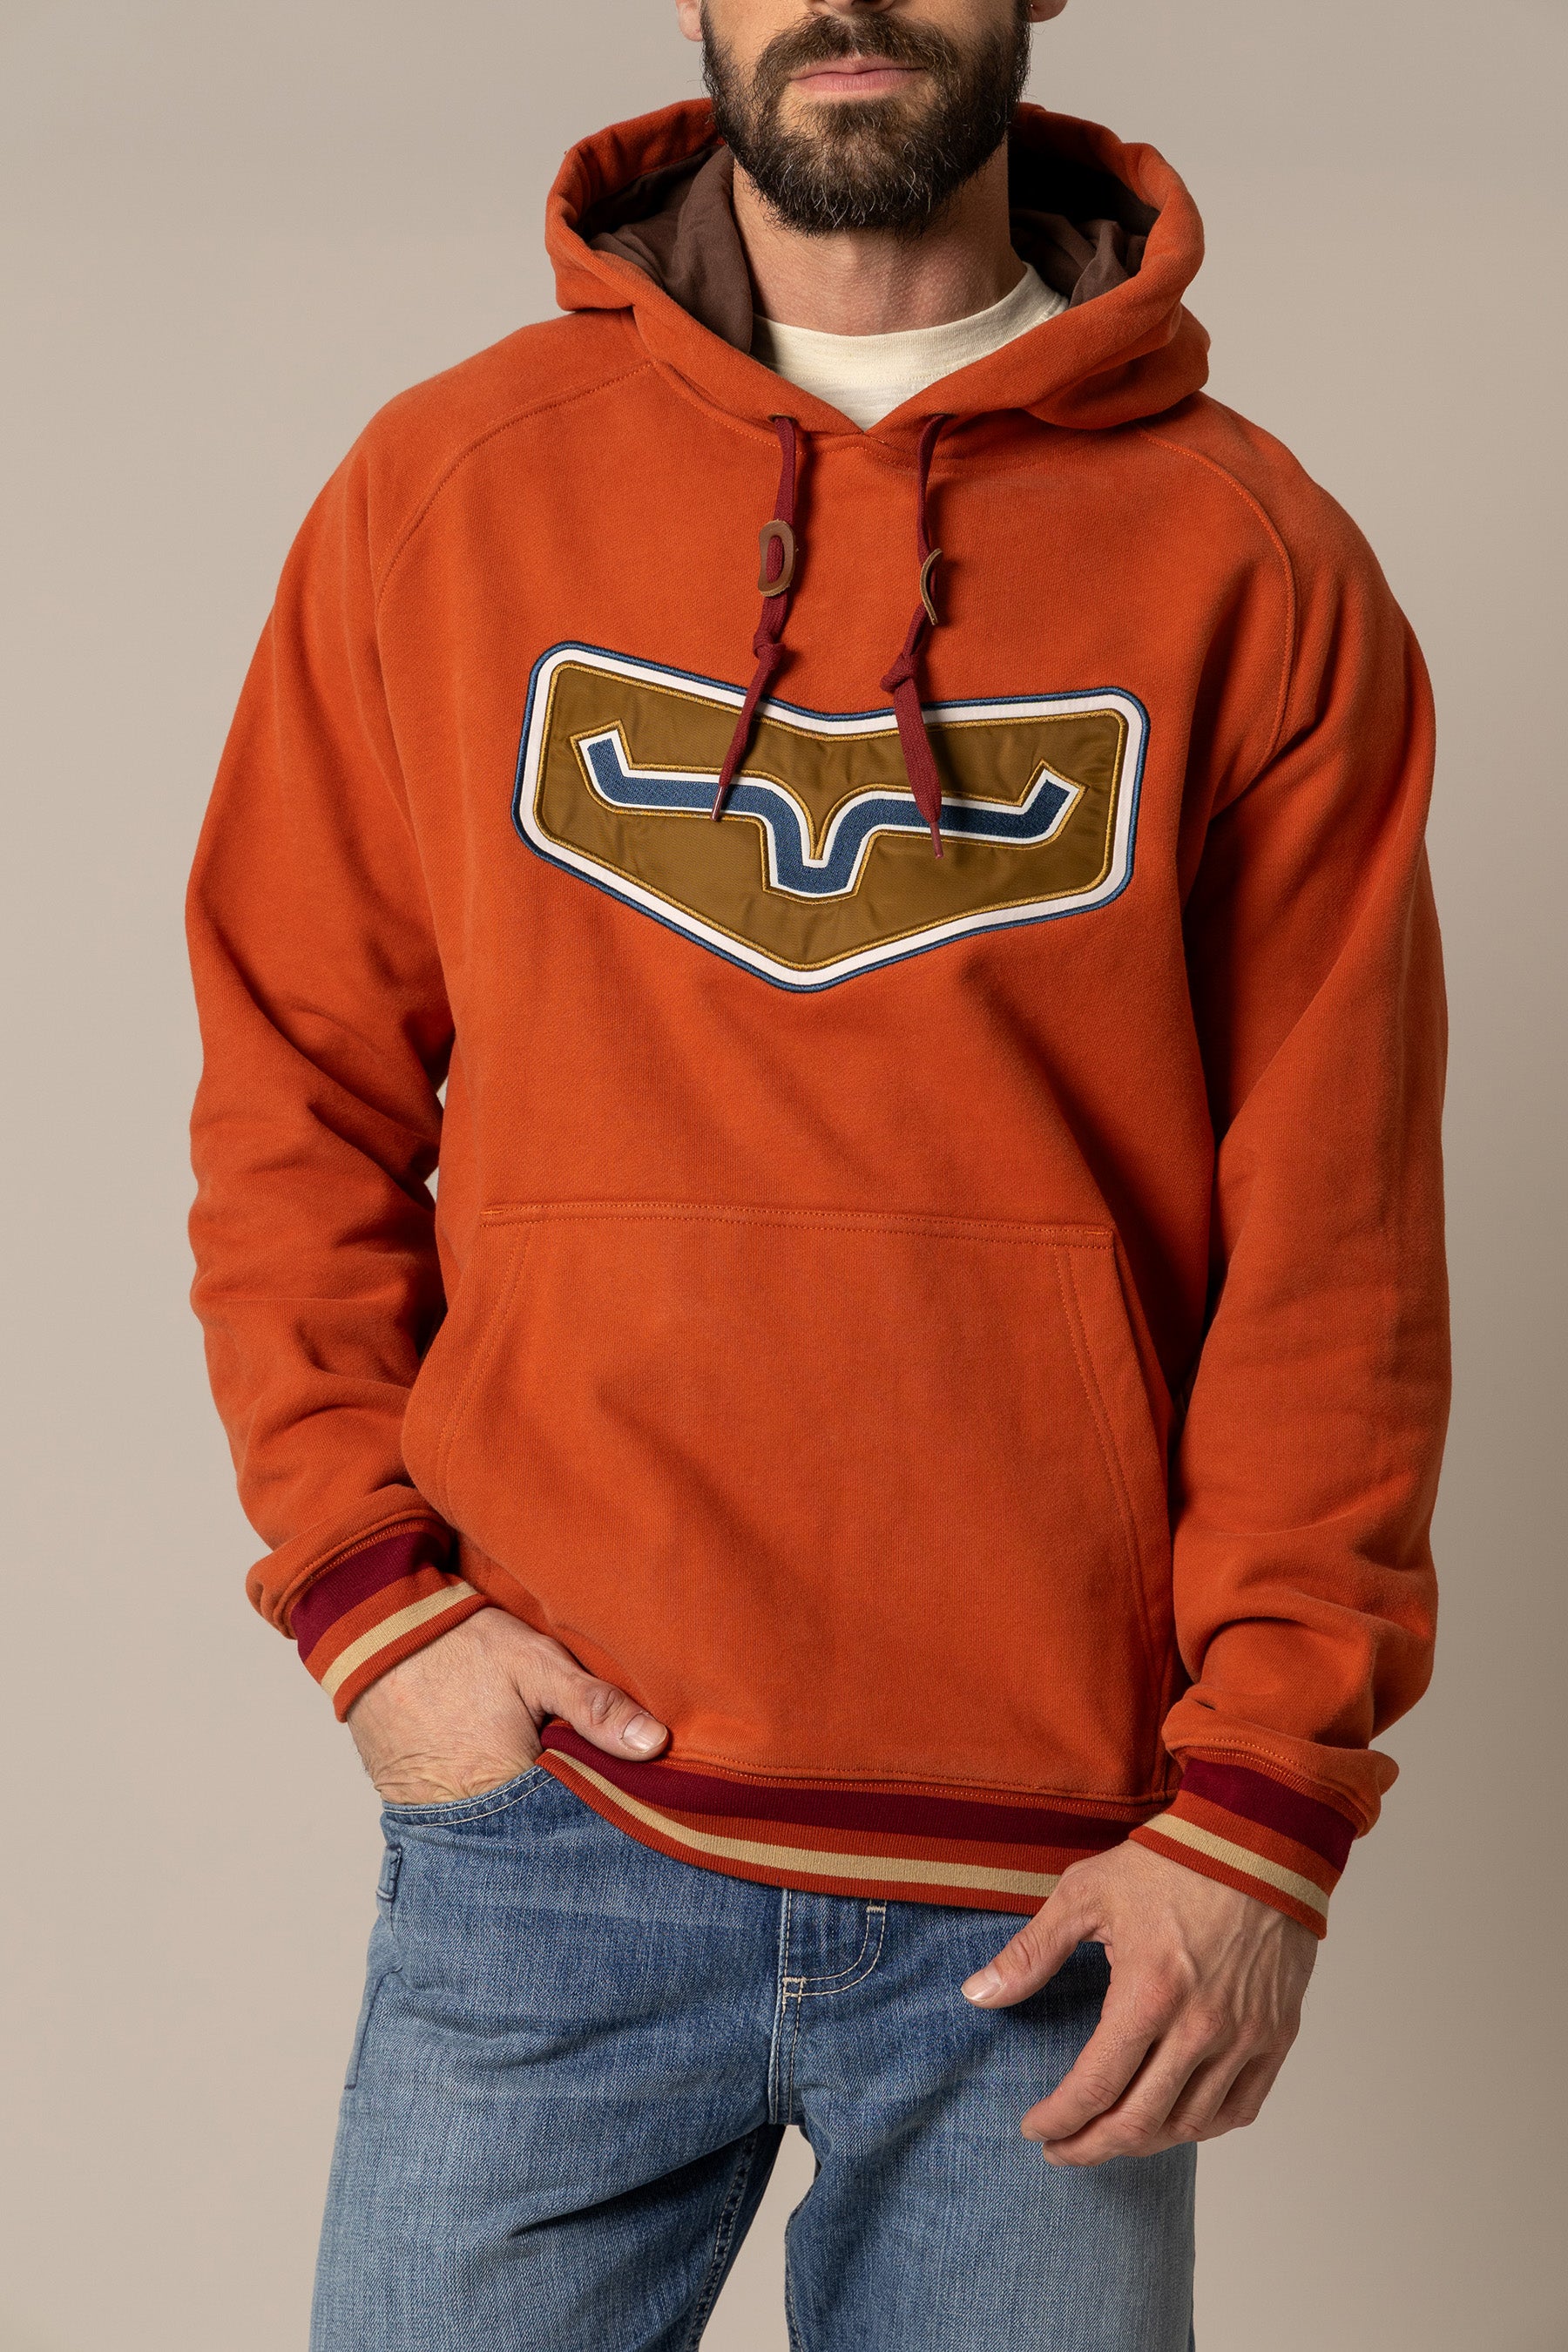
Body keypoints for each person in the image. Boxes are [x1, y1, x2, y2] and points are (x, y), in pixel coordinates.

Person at [186, 1, 1449, 2344]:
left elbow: (1338, 1248)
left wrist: (1264, 1802)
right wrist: (378, 1612)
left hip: (1058, 1889)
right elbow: (294, 1089)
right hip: (551, 1832)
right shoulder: (448, 489)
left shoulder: (1255, 558)